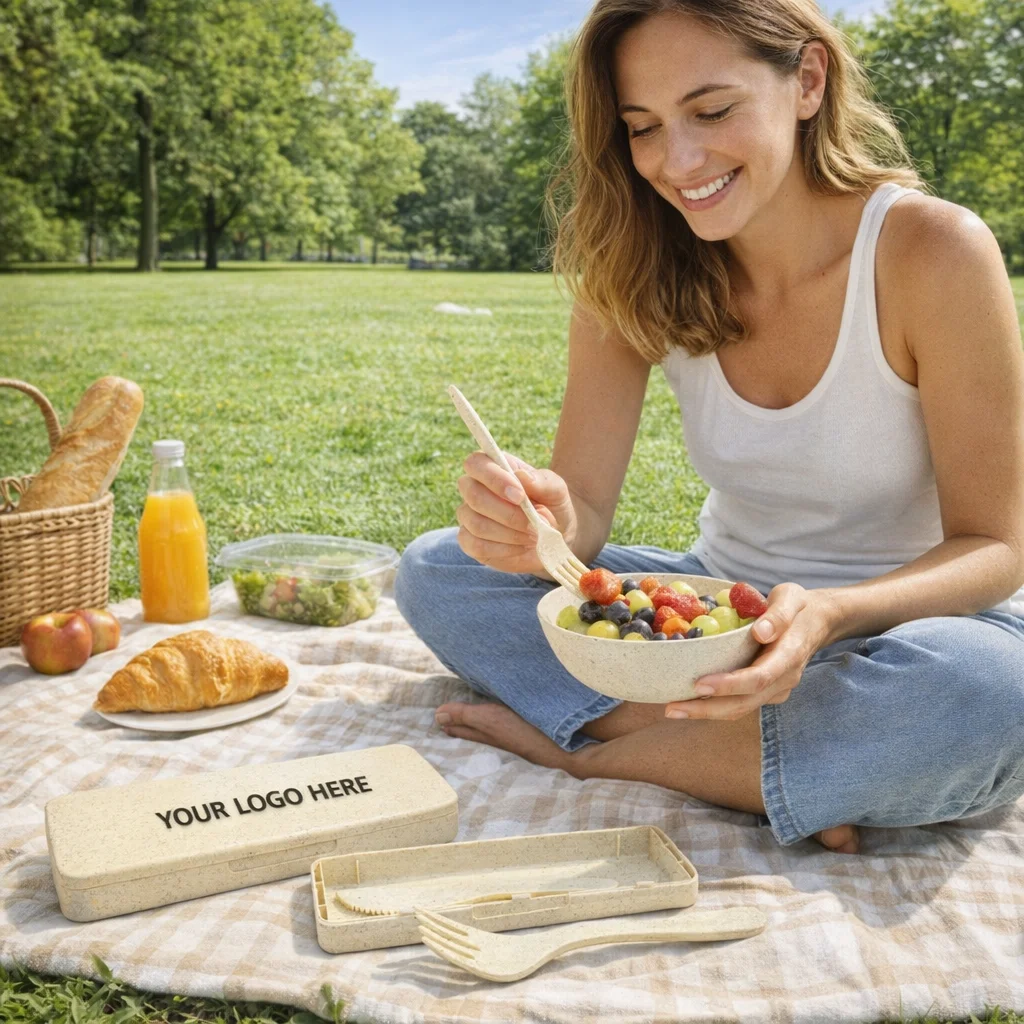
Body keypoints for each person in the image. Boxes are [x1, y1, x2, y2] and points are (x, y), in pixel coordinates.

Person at [396, 0, 1024, 855]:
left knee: (982, 694)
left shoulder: (933, 252)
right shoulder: (635, 265)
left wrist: (834, 616)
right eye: (643, 127)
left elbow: (998, 547)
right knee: (438, 570)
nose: (677, 160)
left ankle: (607, 754)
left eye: (713, 110)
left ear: (807, 80)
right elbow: (580, 513)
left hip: (917, 629)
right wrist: (539, 522)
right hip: (717, 616)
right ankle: (775, 759)